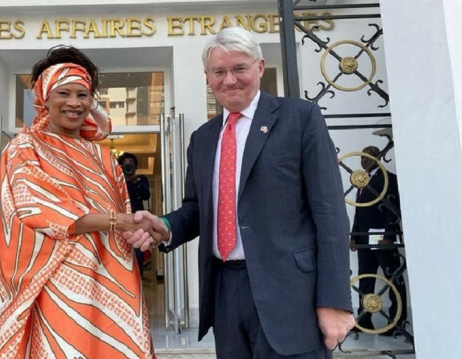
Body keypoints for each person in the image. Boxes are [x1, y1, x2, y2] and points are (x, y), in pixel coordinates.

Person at [125, 27, 354, 358]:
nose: (229, 80)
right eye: (219, 72)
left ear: (259, 67)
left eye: (239, 69)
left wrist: (334, 301)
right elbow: (197, 208)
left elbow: (330, 213)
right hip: (226, 291)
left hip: (291, 294)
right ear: (208, 77)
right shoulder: (202, 139)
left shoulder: (300, 119)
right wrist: (165, 225)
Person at [0, 45, 158, 359]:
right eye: (63, 93)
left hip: (115, 286)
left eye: (83, 95)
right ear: (44, 97)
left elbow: (124, 219)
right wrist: (118, 221)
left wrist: (141, 230)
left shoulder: (105, 158)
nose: (74, 103)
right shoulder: (25, 148)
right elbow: (36, 210)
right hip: (56, 289)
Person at [350, 145, 407, 334]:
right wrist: (354, 235)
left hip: (382, 239)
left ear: (377, 158)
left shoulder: (389, 179)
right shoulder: (362, 180)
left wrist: (389, 236)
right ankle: (364, 320)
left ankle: (397, 322)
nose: (363, 161)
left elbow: (393, 207)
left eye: (367, 158)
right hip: (365, 239)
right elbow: (359, 210)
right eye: (362, 158)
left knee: (393, 278)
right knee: (365, 279)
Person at [118, 152, 151, 275]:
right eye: (125, 166)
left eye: (130, 165)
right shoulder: (118, 182)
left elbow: (146, 195)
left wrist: (135, 181)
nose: (128, 168)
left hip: (138, 226)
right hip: (121, 226)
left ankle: (138, 289)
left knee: (138, 260)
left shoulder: (141, 180)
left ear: (135, 167)